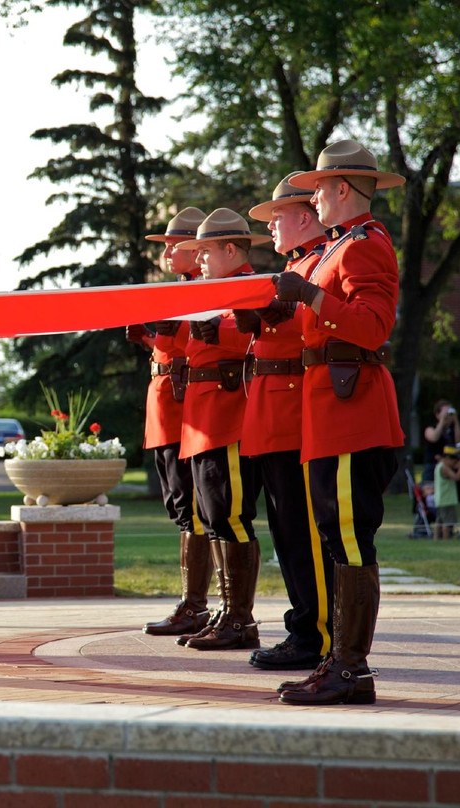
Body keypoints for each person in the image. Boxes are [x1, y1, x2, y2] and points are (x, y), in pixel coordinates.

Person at [273, 139, 406, 706]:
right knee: (335, 536)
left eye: (320, 189)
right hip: (332, 412)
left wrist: (310, 295)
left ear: (343, 189)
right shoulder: (341, 245)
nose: (314, 199)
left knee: (349, 538)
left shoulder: (365, 245)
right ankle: (338, 661)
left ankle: (351, 669)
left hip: (354, 413)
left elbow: (373, 327)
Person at [237, 174, 334, 672]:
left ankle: (315, 634)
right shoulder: (298, 265)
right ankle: (303, 626)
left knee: (303, 533)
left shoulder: (321, 261)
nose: (272, 227)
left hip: (296, 413)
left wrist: (274, 314)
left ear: (304, 217)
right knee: (286, 531)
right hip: (272, 413)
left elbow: (320, 325)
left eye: (278, 217)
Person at [172, 209, 268, 651]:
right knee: (214, 518)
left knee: (230, 516)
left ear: (231, 249)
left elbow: (258, 333)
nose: (199, 260)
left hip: (229, 416)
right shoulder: (215, 290)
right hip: (205, 416)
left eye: (205, 251)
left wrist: (216, 328)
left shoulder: (248, 287)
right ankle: (227, 611)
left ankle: (240, 619)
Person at [126, 207, 211, 637]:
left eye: (174, 245)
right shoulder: (180, 290)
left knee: (192, 508)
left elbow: (193, 351)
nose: (167, 253)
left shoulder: (201, 291)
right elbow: (171, 350)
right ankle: (191, 603)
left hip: (183, 412)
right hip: (166, 408)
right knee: (182, 508)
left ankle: (195, 605)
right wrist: (147, 337)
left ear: (197, 249)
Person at [422, 399, 460, 484]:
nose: (448, 416)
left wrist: (456, 420)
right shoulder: (430, 428)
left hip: (452, 465)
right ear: (437, 415)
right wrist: (442, 421)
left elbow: (459, 441)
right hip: (433, 466)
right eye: (445, 412)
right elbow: (434, 437)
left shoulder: (455, 429)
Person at [433, 445, 460, 540]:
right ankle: (445, 539)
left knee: (439, 521)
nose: (455, 462)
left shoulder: (439, 466)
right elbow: (456, 477)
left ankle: (436, 539)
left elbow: (453, 467)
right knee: (447, 522)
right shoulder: (444, 468)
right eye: (454, 460)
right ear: (447, 458)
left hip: (440, 499)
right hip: (447, 500)